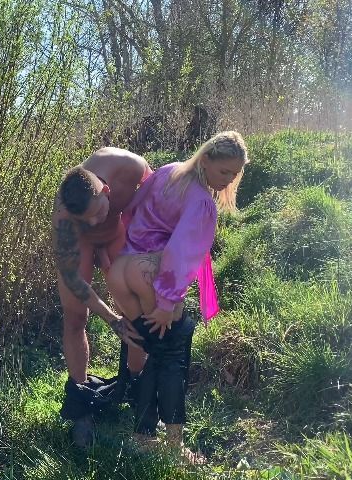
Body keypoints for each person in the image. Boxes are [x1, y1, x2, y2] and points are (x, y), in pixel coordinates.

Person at [105, 131, 249, 463]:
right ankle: (173, 446)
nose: (228, 179)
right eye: (224, 171)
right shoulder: (200, 200)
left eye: (235, 174)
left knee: (144, 345)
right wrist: (168, 300)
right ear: (206, 159)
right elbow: (180, 252)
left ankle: (141, 435)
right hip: (151, 275)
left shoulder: (169, 171)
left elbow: (132, 211)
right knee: (171, 356)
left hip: (123, 268)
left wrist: (127, 255)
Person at [51, 147, 151, 446]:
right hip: (79, 244)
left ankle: (137, 389)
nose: (93, 221)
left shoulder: (130, 168)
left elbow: (156, 202)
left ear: (107, 190)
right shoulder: (65, 217)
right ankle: (81, 403)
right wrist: (110, 318)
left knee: (136, 313)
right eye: (87, 218)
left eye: (97, 212)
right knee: (75, 317)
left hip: (117, 232)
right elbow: (73, 278)